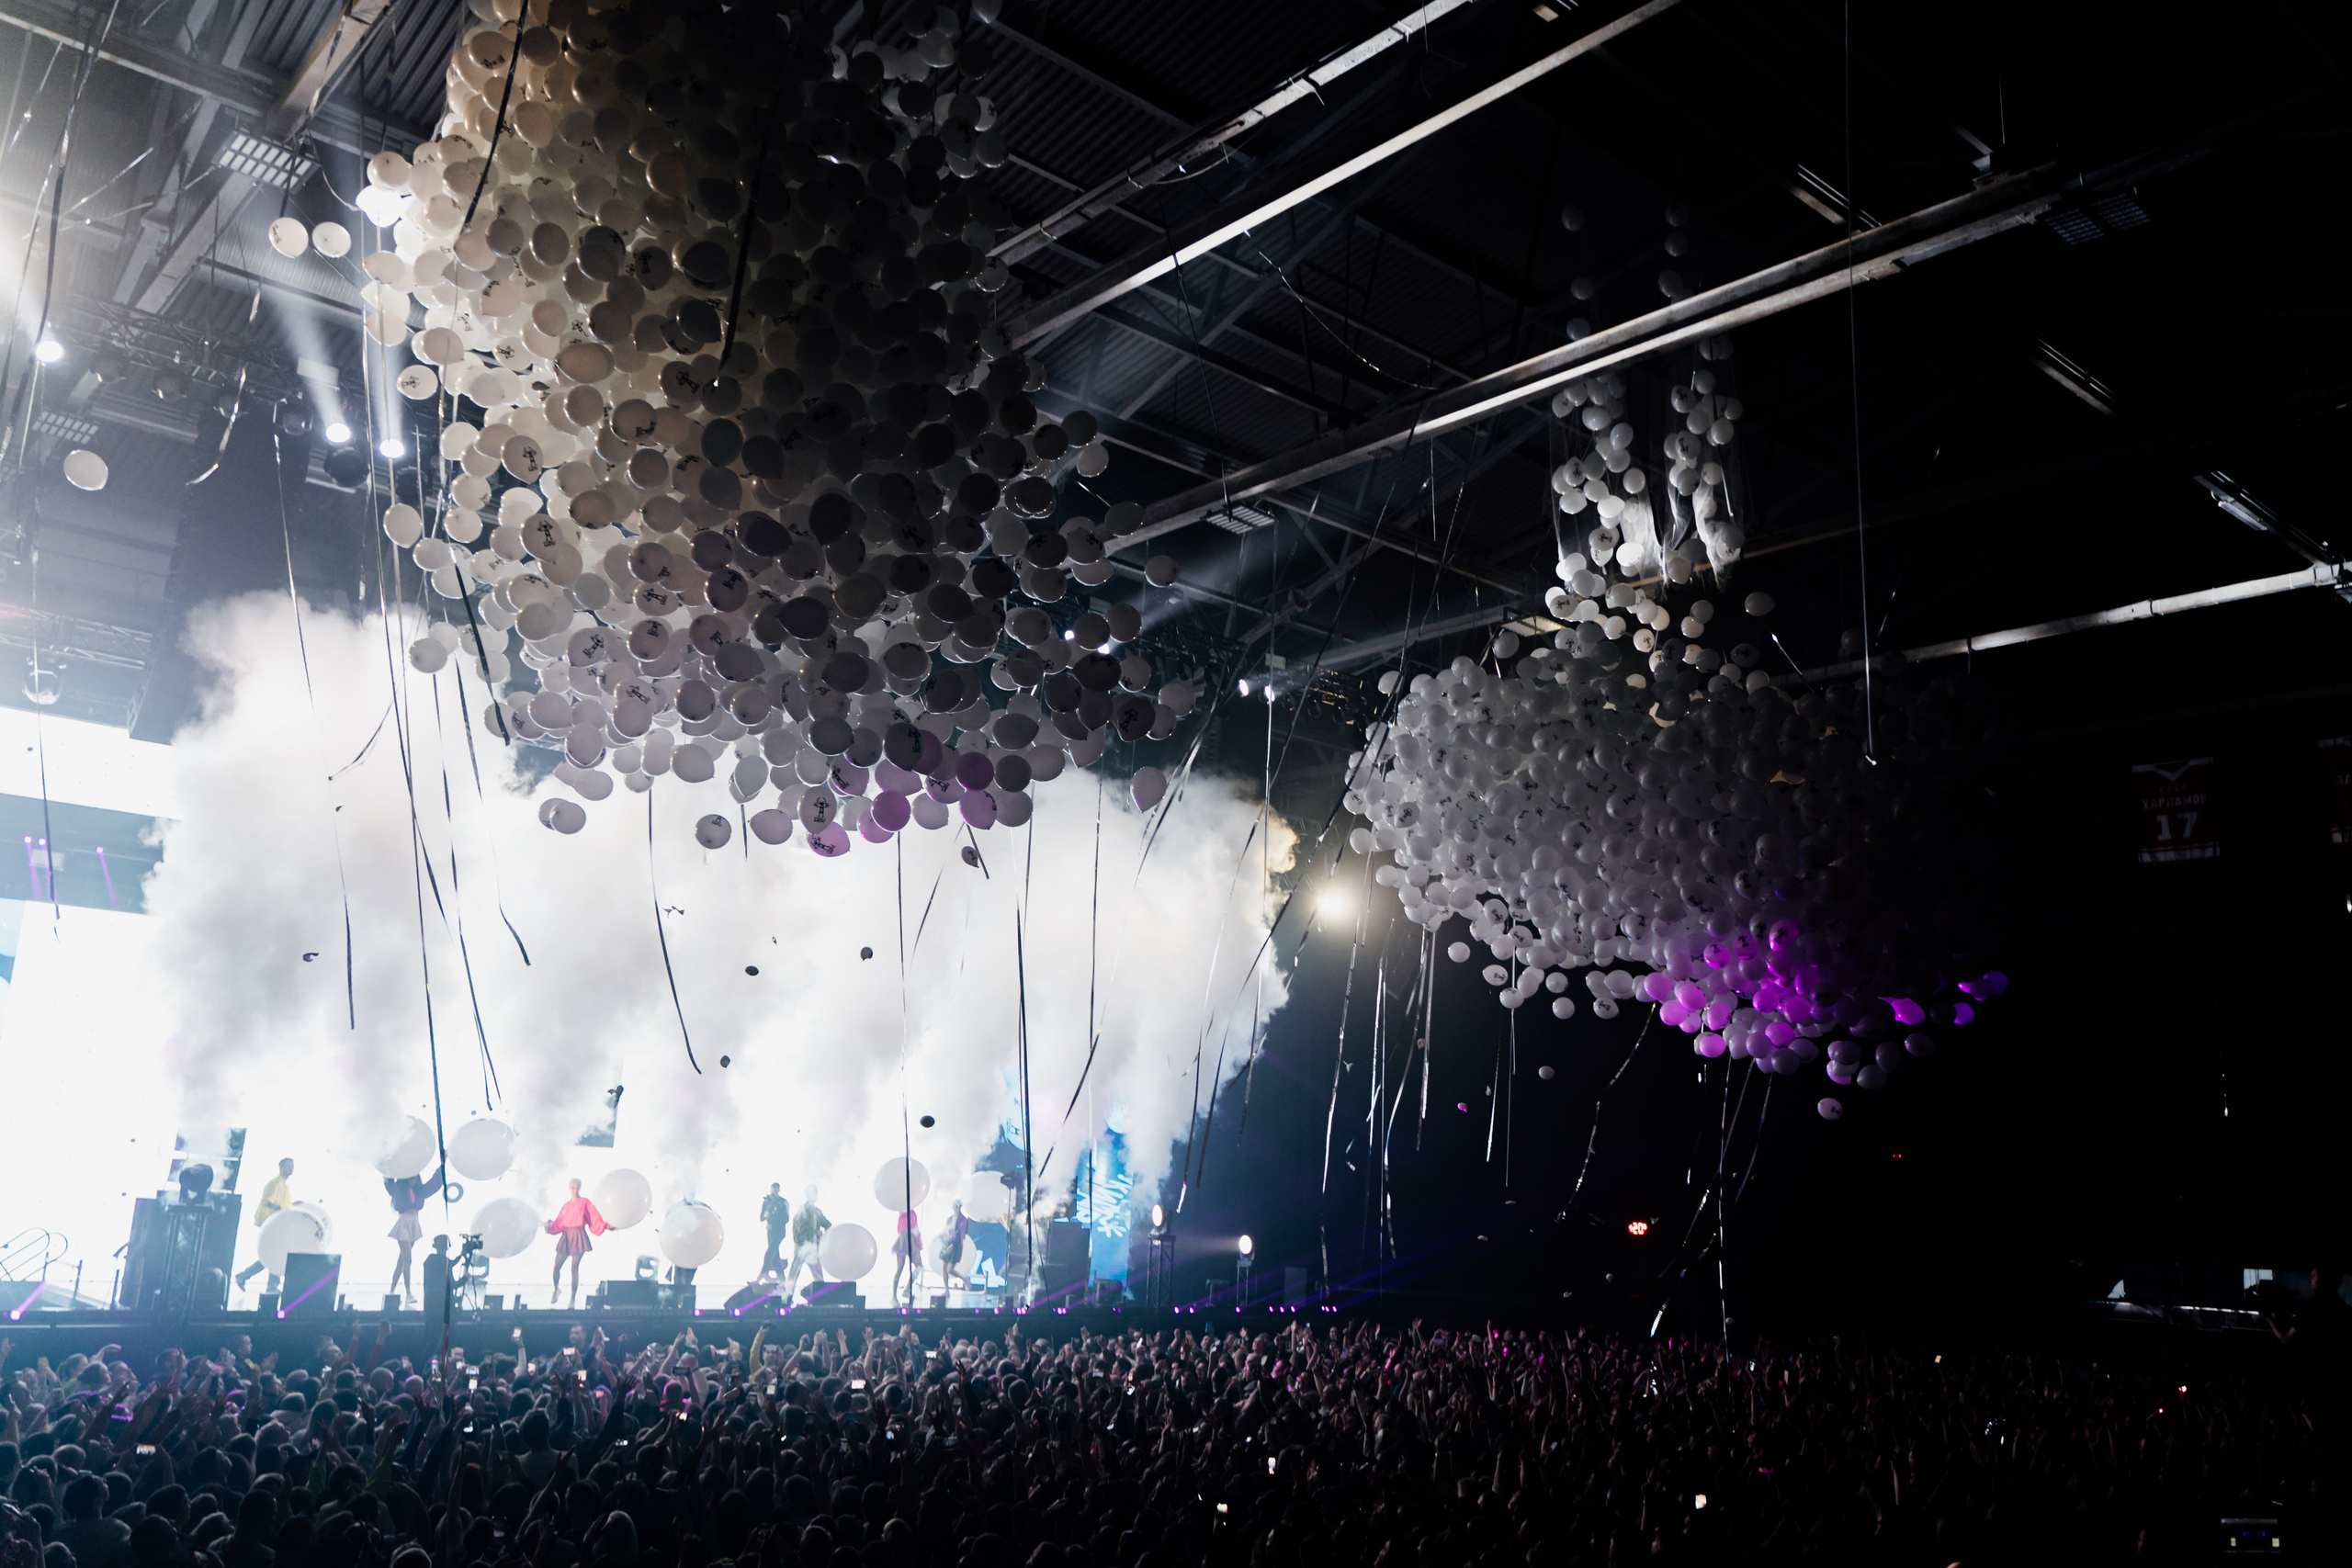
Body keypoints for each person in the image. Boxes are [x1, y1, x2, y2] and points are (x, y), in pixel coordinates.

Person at [383, 1163, 446, 1307]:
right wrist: (388, 1166)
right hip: (404, 1224)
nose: (414, 1181)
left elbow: (434, 1184)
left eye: (416, 1178)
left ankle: (392, 1291)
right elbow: (388, 1182)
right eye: (411, 1178)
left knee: (402, 1261)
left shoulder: (420, 1191)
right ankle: (409, 1293)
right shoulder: (399, 1190)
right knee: (408, 1259)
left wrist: (442, 1166)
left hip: (414, 1224)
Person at [545, 1178, 609, 1308]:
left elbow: (594, 1217)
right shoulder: (566, 1206)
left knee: (574, 1267)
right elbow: (558, 1223)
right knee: (556, 1267)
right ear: (569, 1188)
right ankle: (556, 1289)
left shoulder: (585, 1202)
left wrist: (606, 1225)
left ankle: (572, 1299)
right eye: (573, 1188)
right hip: (566, 1235)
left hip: (578, 1234)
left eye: (577, 1188)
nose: (575, 1190)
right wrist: (548, 1225)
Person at [234, 1158, 294, 1291]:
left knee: (273, 1256)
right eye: (288, 1166)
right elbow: (267, 1201)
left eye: (292, 1166)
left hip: (277, 1227)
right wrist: (278, 1208)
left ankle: (247, 1277)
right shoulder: (275, 1183)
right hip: (272, 1226)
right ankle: (269, 1285)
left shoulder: (284, 1187)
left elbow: (286, 1207)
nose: (291, 1169)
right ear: (281, 1166)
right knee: (275, 1256)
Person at [787, 1185, 829, 1297]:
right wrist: (817, 1232)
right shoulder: (802, 1209)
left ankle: (822, 1296)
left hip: (813, 1247)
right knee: (794, 1272)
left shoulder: (816, 1211)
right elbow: (802, 1229)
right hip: (802, 1246)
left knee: (817, 1273)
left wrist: (824, 1234)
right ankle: (787, 1295)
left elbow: (827, 1224)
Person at [938, 1197, 972, 1292]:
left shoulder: (963, 1220)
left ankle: (965, 1280)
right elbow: (946, 1230)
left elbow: (960, 1233)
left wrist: (952, 1244)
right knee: (944, 1268)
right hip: (947, 1242)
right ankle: (946, 1290)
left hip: (956, 1245)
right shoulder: (950, 1218)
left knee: (950, 1269)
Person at [890, 1205, 922, 1303]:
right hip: (904, 1240)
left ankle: (907, 1289)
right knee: (900, 1268)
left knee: (919, 1266)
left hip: (912, 1240)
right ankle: (894, 1296)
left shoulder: (911, 1211)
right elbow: (903, 1228)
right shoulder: (903, 1211)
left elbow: (913, 1227)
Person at [759, 1183, 789, 1279]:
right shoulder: (767, 1202)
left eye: (775, 1191)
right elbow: (761, 1218)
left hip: (779, 1232)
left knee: (770, 1253)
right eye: (772, 1191)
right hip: (770, 1233)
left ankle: (763, 1274)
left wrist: (773, 1224)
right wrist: (765, 1215)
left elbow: (786, 1218)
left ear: (779, 1190)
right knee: (774, 1255)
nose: (774, 1193)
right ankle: (781, 1277)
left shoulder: (783, 1202)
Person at [422, 1233, 454, 1322]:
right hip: (442, 1307)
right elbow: (453, 1285)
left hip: (429, 1304)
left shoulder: (430, 1260)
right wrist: (465, 1279)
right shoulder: (446, 1263)